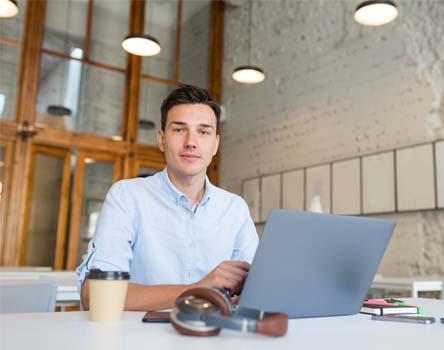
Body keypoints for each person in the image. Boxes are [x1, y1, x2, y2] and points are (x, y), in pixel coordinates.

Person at [76, 84, 259, 311]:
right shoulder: (127, 197)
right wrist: (200, 288)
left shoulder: (235, 209)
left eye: (203, 132)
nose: (191, 142)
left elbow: (255, 291)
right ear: (161, 140)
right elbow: (94, 295)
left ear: (216, 144)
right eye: (179, 129)